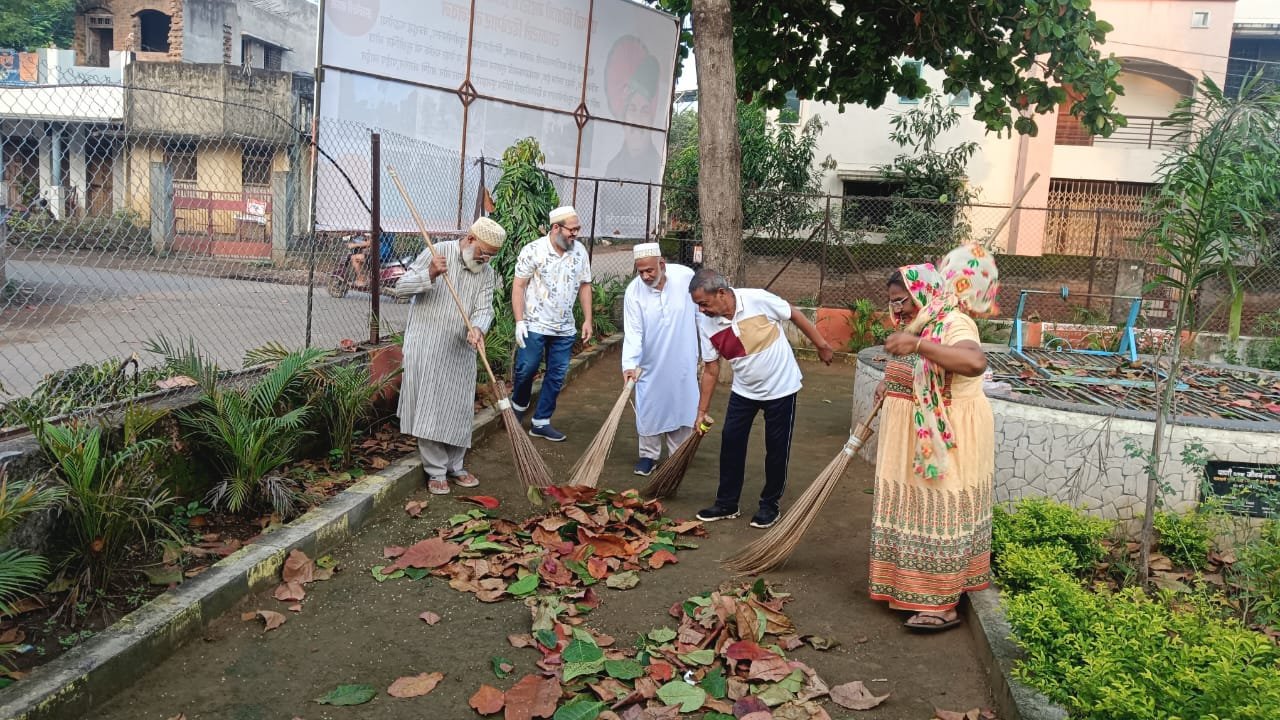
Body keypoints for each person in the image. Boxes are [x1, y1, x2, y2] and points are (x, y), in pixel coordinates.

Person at [869, 244, 999, 632]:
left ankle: (942, 604)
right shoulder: (923, 322)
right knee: (911, 512)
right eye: (893, 303)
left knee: (938, 508)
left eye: (902, 301)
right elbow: (914, 368)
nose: (898, 311)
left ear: (923, 293)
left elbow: (975, 363)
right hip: (911, 439)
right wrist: (888, 382)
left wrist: (920, 344)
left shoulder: (954, 323)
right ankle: (908, 586)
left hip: (947, 438)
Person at [688, 268, 835, 529]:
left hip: (781, 388)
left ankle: (769, 505)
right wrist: (701, 411)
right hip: (744, 390)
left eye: (704, 304)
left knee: (776, 450)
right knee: (731, 443)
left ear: (721, 293)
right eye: (698, 306)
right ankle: (727, 503)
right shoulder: (706, 323)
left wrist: (821, 345)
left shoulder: (757, 299)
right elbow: (711, 369)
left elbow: (795, 314)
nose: (701, 310)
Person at [394, 217, 506, 495]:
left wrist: (479, 328)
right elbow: (400, 288)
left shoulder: (486, 271)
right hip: (427, 344)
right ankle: (435, 470)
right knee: (430, 406)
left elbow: (485, 308)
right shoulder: (437, 252)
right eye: (483, 253)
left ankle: (456, 465)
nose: (486, 260)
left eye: (491, 257)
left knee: (458, 407)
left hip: (461, 348)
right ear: (470, 239)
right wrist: (429, 274)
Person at [511, 205, 594, 442]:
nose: (576, 234)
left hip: (565, 327)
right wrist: (519, 321)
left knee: (557, 375)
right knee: (526, 369)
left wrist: (588, 319)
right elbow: (519, 286)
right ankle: (519, 403)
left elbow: (585, 284)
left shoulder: (579, 252)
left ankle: (541, 421)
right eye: (572, 229)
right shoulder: (533, 250)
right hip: (534, 324)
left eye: (578, 229)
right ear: (556, 228)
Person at [621, 243, 699, 476]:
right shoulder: (633, 292)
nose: (645, 276)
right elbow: (633, 332)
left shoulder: (686, 277)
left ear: (662, 265)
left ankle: (679, 455)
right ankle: (648, 455)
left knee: (683, 405)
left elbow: (700, 315)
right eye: (640, 271)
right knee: (649, 407)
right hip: (650, 363)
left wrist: (707, 351)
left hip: (683, 356)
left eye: (650, 271)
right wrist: (629, 364)